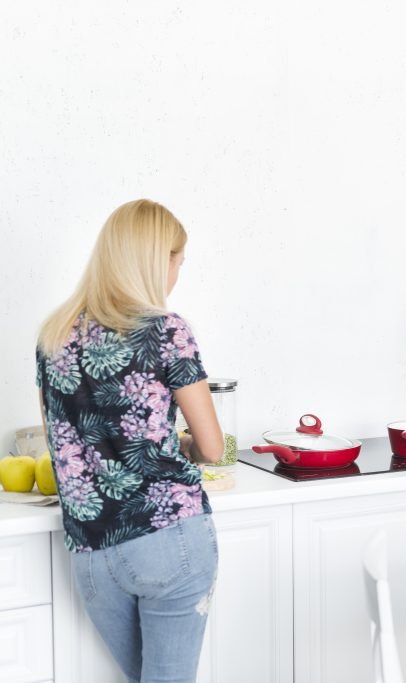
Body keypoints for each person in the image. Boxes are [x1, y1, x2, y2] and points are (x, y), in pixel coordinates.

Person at [36, 199, 224, 682]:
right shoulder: (166, 331)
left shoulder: (53, 337)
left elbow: (62, 442)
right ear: (156, 260)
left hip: (91, 553)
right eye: (177, 262)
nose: (176, 275)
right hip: (169, 539)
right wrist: (179, 446)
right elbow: (211, 447)